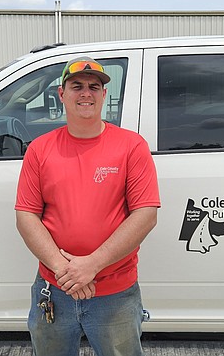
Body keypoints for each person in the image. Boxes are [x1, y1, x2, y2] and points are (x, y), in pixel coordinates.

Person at [15, 56, 161, 356]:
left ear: (104, 95)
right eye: (77, 85)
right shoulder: (40, 149)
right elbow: (26, 216)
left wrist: (91, 266)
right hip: (54, 291)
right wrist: (65, 271)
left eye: (95, 86)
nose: (86, 93)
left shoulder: (131, 146)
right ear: (61, 93)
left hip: (115, 294)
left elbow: (145, 215)